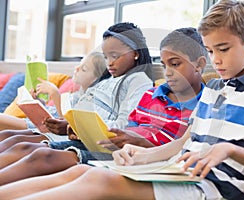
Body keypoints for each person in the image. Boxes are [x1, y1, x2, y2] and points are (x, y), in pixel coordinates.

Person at [0, 1, 244, 199]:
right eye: (211, 50)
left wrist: (228, 150)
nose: (217, 60)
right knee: (80, 170)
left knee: (100, 181)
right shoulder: (215, 87)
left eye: (224, 49)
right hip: (178, 171)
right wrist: (141, 156)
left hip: (212, 188)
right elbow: (184, 142)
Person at [0, 27, 208, 185]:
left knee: (41, 153)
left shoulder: (204, 104)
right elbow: (129, 127)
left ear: (199, 64)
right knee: (22, 143)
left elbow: (181, 145)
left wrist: (137, 142)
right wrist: (79, 127)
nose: (168, 72)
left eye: (175, 64)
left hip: (129, 156)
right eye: (164, 65)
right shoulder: (150, 95)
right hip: (112, 147)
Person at [0, 22, 153, 167]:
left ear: (135, 53)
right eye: (106, 57)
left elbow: (123, 127)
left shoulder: (138, 80)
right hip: (74, 133)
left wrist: (78, 127)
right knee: (10, 137)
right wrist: (64, 122)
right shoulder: (108, 81)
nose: (109, 63)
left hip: (93, 143)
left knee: (24, 147)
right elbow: (75, 110)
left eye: (115, 55)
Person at [0, 51, 106, 152]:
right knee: (6, 134)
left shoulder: (92, 101)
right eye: (79, 64)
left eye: (83, 69)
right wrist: (39, 103)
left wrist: (55, 94)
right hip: (37, 125)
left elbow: (67, 124)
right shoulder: (75, 95)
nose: (76, 68)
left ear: (96, 79)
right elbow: (51, 113)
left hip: (48, 131)